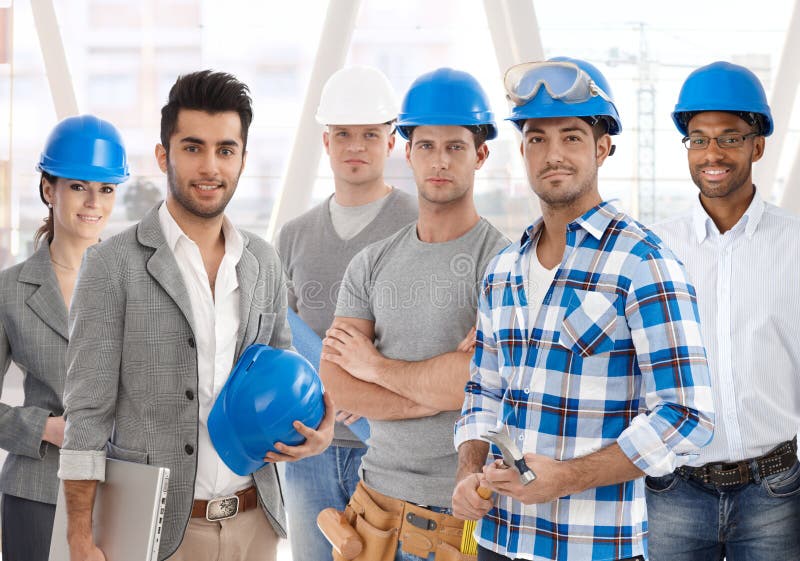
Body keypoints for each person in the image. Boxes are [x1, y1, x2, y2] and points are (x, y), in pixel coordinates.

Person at [57, 70, 334, 561]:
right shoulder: (112, 265)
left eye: (226, 150)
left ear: (243, 159)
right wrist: (79, 537)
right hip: (156, 531)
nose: (210, 166)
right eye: (193, 148)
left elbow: (282, 360)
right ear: (164, 155)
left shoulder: (263, 261)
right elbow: (86, 415)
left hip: (257, 524)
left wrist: (320, 424)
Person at [451, 57, 715, 561]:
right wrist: (468, 472)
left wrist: (565, 479)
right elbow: (482, 391)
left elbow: (687, 414)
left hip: (592, 547)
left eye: (571, 137)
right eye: (537, 139)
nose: (553, 154)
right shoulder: (502, 272)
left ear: (603, 147)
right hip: (497, 540)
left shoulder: (643, 263)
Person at [319, 67, 509, 561]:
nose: (439, 160)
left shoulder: (502, 265)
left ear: (481, 154)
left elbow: (473, 378)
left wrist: (377, 368)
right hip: (371, 514)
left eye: (455, 146)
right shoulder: (372, 262)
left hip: (457, 522)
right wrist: (426, 397)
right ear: (407, 152)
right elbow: (337, 379)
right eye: (426, 146)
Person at [646, 61, 800, 561]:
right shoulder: (653, 250)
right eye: (698, 139)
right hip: (673, 491)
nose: (712, 153)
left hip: (774, 491)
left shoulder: (795, 244)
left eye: (729, 138)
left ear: (757, 145)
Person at [276, 65, 418, 561]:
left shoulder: (420, 225)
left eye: (369, 135)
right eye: (343, 135)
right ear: (326, 142)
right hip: (308, 447)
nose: (355, 146)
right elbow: (281, 340)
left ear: (392, 141)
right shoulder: (293, 235)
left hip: (394, 452)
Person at [0, 115, 128, 561]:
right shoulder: (10, 290)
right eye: (79, 186)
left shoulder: (135, 282)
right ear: (48, 189)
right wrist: (45, 428)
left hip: (121, 489)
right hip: (37, 490)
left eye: (107, 189)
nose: (94, 202)